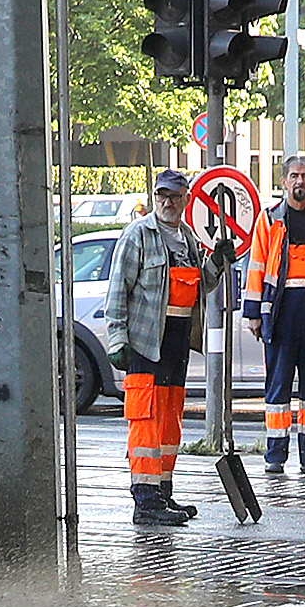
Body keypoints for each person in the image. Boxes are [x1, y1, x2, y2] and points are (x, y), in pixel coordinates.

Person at [109, 170, 204, 527]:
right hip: (146, 343)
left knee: (169, 422)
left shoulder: (188, 238)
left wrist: (215, 264)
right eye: (162, 195)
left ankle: (163, 492)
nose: (167, 202)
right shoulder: (138, 235)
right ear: (154, 197)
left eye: (174, 196)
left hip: (177, 342)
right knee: (146, 421)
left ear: (185, 199)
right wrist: (117, 339)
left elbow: (198, 286)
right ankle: (145, 499)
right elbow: (118, 288)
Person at [245, 154, 305, 481]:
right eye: (294, 176)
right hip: (282, 312)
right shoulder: (270, 221)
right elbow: (256, 267)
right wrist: (254, 313)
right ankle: (275, 455)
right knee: (278, 387)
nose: (300, 181)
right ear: (284, 181)